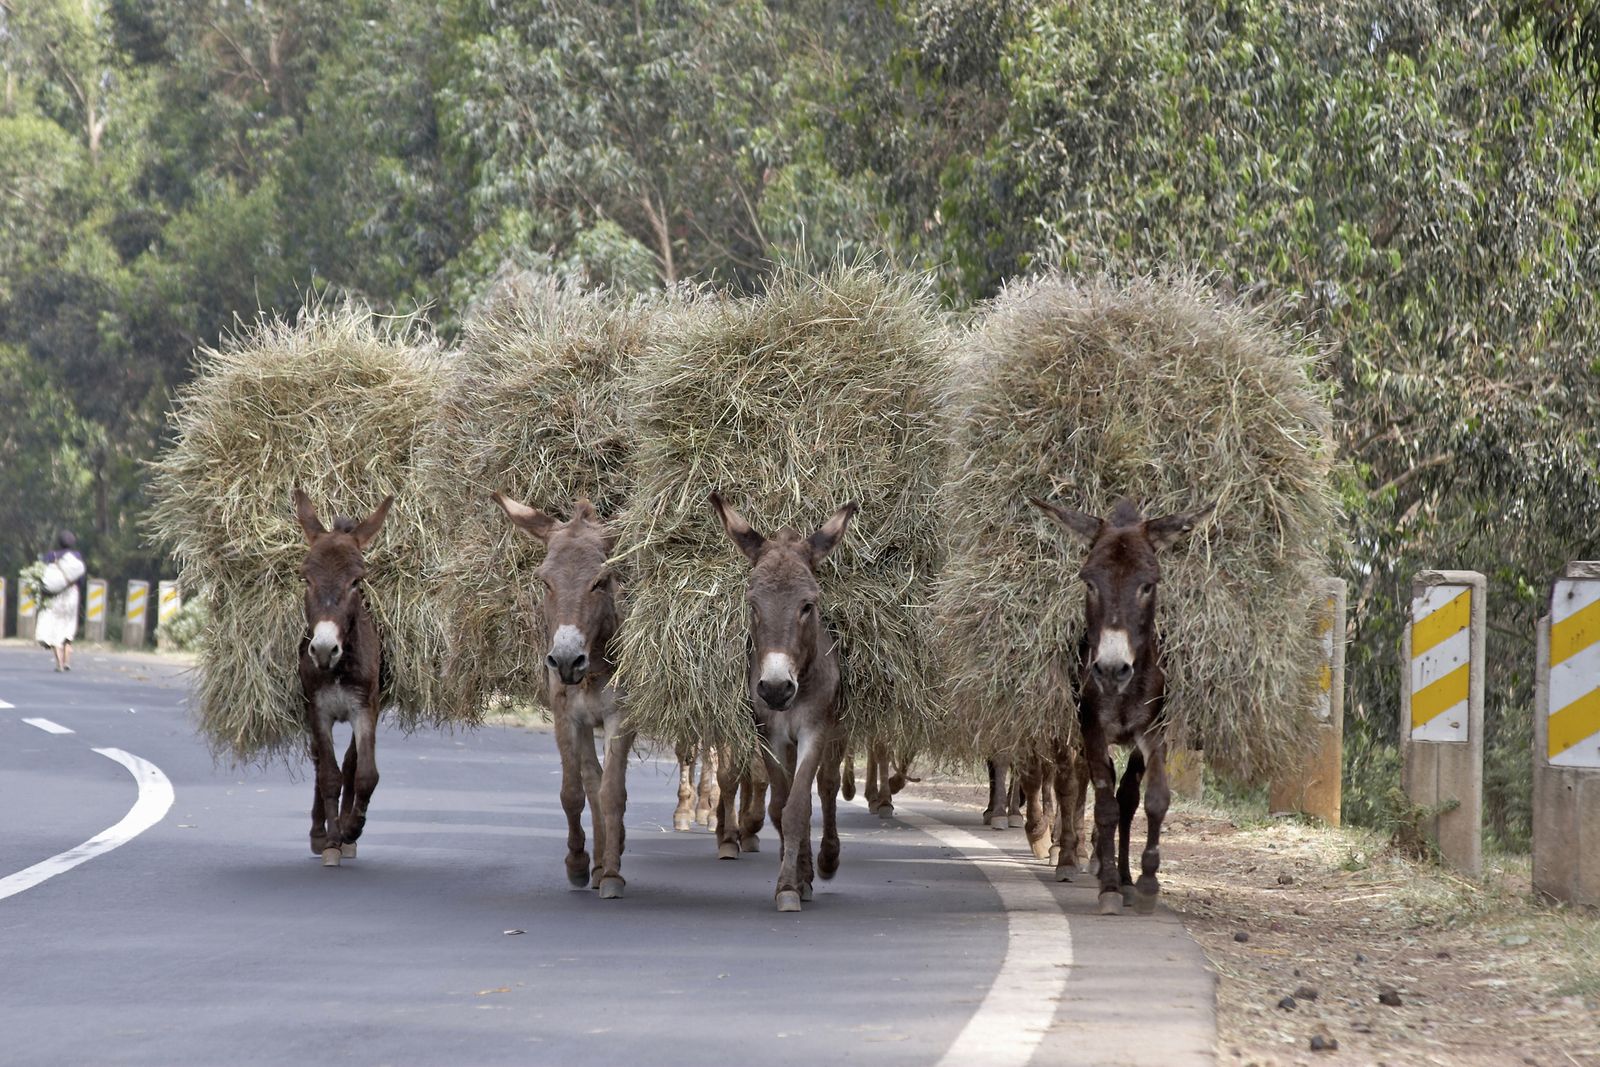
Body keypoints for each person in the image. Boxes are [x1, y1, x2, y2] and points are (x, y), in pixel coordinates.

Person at [36, 530, 86, 672]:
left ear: (59, 542)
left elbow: (42, 575)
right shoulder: (77, 557)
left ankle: (59, 664)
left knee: (56, 627)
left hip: (55, 595)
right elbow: (81, 579)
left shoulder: (51, 556)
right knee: (68, 627)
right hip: (72, 595)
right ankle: (67, 661)